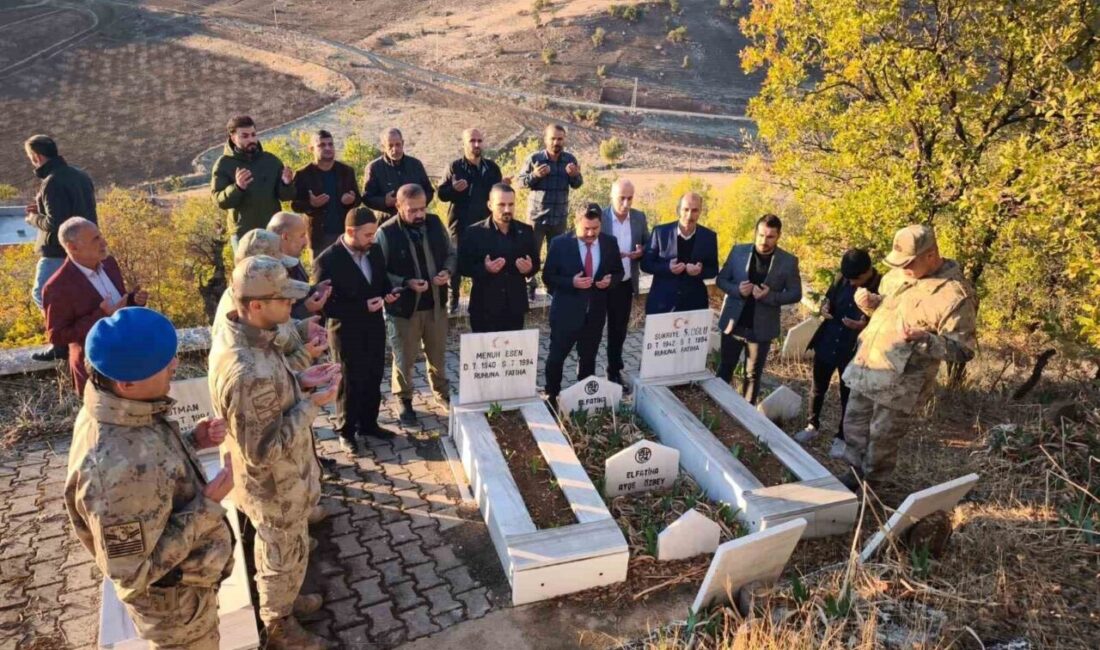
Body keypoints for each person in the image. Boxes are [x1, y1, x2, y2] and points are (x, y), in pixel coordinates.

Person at [66, 307, 235, 649]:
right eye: (164, 363)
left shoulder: (123, 408)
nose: (174, 365)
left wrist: (192, 441)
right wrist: (208, 505)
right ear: (126, 382)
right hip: (177, 614)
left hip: (188, 590)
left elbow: (151, 468)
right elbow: (134, 573)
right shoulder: (111, 470)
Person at [208, 256, 340, 649]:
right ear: (256, 305)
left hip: (284, 482)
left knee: (290, 552)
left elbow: (269, 399)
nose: (291, 306)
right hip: (274, 487)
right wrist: (314, 403)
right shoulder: (247, 369)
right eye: (283, 300)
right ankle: (279, 625)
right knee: (279, 556)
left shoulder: (251, 339)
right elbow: (262, 451)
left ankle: (289, 598)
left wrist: (299, 380)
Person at [839, 225, 977, 490]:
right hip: (868, 368)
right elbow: (891, 312)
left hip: (899, 386)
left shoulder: (954, 295)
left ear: (931, 254)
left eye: (909, 263)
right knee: (853, 427)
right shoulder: (895, 277)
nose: (902, 268)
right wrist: (873, 305)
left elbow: (962, 350)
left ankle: (873, 491)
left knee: (882, 440)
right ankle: (853, 477)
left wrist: (924, 339)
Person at [313, 207, 401, 453]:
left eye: (373, 234)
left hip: (374, 326)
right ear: (350, 232)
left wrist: (387, 293)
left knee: (373, 374)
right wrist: (362, 306)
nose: (373, 239)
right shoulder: (327, 260)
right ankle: (346, 431)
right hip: (344, 330)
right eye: (368, 235)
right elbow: (325, 306)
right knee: (349, 381)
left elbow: (381, 281)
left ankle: (369, 424)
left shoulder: (373, 251)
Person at [376, 184, 456, 426]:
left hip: (435, 306)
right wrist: (405, 282)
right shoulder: (386, 232)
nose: (419, 215)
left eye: (422, 208)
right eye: (412, 210)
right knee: (404, 358)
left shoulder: (434, 223)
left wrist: (447, 271)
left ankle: (442, 393)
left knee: (438, 354)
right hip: (404, 310)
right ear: (398, 207)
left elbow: (452, 254)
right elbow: (379, 271)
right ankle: (405, 400)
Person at [43, 218, 148, 396]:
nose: (104, 242)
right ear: (72, 247)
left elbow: (117, 305)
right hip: (97, 373)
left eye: (100, 236)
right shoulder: (57, 287)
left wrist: (133, 300)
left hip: (130, 359)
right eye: (95, 239)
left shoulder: (109, 264)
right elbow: (57, 336)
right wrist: (101, 315)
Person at [794, 249, 881, 459]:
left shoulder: (882, 285)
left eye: (856, 280)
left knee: (847, 395)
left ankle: (842, 437)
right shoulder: (842, 278)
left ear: (867, 271)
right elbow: (829, 299)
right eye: (848, 279)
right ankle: (812, 425)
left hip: (853, 348)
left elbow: (883, 320)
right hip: (828, 339)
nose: (851, 284)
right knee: (818, 386)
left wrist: (864, 324)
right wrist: (825, 308)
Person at [212, 229, 328, 374]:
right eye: (274, 266)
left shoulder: (258, 293)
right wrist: (306, 355)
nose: (282, 269)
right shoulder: (242, 310)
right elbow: (264, 373)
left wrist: (302, 329)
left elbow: (278, 334)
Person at [24, 135, 97, 362]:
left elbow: (56, 224)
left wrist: (34, 218)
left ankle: (61, 342)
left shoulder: (52, 182)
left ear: (37, 156)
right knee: (78, 296)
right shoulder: (81, 176)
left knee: (42, 293)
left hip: (57, 250)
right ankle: (78, 337)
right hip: (85, 247)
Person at [715, 214, 802, 404]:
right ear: (756, 233)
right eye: (761, 235)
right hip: (733, 323)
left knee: (753, 375)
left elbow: (796, 294)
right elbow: (721, 280)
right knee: (725, 368)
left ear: (778, 236)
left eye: (770, 236)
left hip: (761, 328)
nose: (764, 241)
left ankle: (747, 417)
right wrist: (737, 290)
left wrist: (770, 296)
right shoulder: (738, 251)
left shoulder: (788, 261)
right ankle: (717, 406)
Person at [541, 204, 622, 406]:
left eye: (595, 228)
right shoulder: (560, 244)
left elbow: (618, 272)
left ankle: (583, 399)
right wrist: (571, 282)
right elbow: (548, 277)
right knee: (556, 358)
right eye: (586, 228)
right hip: (566, 312)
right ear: (575, 223)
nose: (590, 233)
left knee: (588, 359)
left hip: (595, 314)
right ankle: (551, 395)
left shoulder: (609, 243)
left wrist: (609, 281)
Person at [437, 128, 507, 312]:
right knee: (456, 263)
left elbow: (498, 194)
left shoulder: (492, 168)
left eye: (479, 140)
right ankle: (453, 302)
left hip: (485, 226)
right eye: (472, 141)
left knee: (483, 263)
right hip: (460, 225)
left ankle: (482, 301)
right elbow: (441, 194)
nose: (476, 144)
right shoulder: (454, 167)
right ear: (465, 143)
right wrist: (453, 190)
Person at [458, 184, 539, 332]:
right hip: (484, 308)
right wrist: (484, 268)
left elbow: (535, 264)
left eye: (511, 204)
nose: (507, 209)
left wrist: (529, 269)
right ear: (490, 205)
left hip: (515, 307)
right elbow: (462, 266)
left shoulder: (526, 231)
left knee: (512, 353)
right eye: (501, 205)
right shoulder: (474, 232)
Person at [210, 116, 296, 250]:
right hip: (244, 234)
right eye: (244, 136)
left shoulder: (270, 161)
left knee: (276, 270)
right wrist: (238, 188)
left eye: (253, 135)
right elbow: (219, 200)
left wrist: (287, 183)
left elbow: (286, 196)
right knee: (247, 270)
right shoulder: (224, 164)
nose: (251, 140)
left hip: (272, 231)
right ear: (233, 138)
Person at [519, 124, 583, 300]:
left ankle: (552, 287)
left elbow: (577, 184)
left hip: (559, 216)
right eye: (553, 138)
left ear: (564, 140)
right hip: (536, 218)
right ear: (545, 139)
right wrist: (535, 176)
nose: (556, 142)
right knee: (532, 254)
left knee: (556, 255)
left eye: (560, 138)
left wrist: (574, 175)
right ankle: (529, 287)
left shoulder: (570, 159)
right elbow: (520, 182)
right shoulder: (534, 158)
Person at [601, 179, 648, 391]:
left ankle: (614, 371)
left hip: (625, 284)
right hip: (601, 284)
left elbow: (647, 243)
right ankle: (586, 373)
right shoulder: (600, 217)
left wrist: (641, 252)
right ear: (611, 196)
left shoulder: (639, 217)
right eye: (622, 198)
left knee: (618, 331)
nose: (626, 203)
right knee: (591, 330)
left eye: (630, 198)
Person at [641, 192, 719, 315]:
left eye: (694, 210)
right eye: (685, 209)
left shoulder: (709, 237)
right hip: (662, 303)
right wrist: (667, 268)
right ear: (678, 210)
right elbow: (645, 264)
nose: (689, 215)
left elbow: (713, 269)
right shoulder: (660, 232)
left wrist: (699, 271)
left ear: (700, 211)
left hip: (695, 303)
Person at [290, 129, 361, 255]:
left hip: (346, 235)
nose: (328, 148)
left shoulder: (346, 171)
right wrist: (311, 204)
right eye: (322, 145)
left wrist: (351, 201)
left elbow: (358, 200)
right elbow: (295, 205)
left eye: (330, 144)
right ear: (311, 149)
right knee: (321, 274)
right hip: (319, 238)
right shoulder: (303, 174)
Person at [268, 211, 332, 320]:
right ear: (286, 237)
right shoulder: (267, 271)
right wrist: (306, 309)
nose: (306, 241)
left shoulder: (293, 259)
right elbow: (271, 320)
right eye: (302, 236)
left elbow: (297, 293)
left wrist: (314, 289)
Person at [362, 127, 434, 218]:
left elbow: (429, 191)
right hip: (387, 221)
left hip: (415, 220)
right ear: (383, 147)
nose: (395, 149)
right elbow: (366, 198)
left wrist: (417, 203)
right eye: (390, 146)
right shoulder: (374, 168)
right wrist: (384, 201)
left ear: (403, 143)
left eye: (398, 144)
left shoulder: (415, 164)